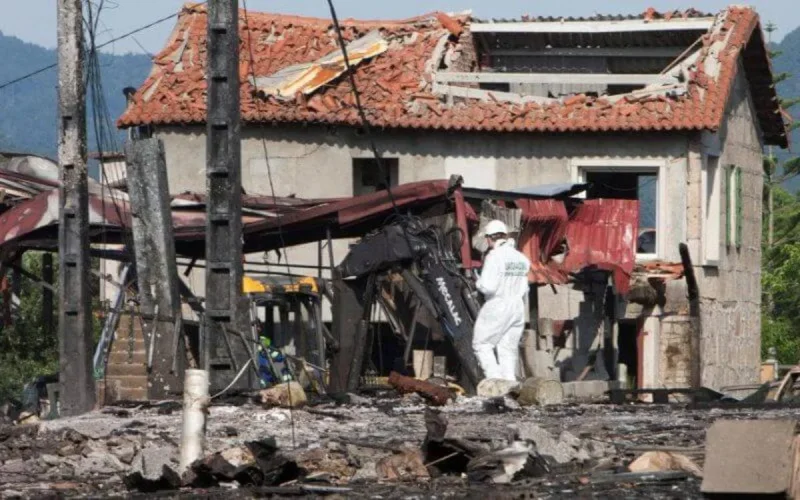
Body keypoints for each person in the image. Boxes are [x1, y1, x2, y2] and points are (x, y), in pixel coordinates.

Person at [473, 220, 531, 381]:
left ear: (489, 238)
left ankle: (495, 381)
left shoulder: (494, 256)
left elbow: (488, 287)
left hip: (498, 305)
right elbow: (525, 288)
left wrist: (477, 281)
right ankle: (509, 383)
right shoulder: (521, 258)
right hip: (518, 307)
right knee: (508, 348)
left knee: (482, 344)